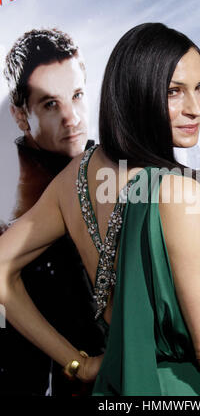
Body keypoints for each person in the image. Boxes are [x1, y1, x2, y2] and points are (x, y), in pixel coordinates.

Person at [0, 23, 200, 396]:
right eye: (174, 91)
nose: (196, 108)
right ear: (137, 92)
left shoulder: (75, 177)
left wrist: (78, 364)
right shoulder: (178, 193)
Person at [0, 28, 106, 396]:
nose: (71, 117)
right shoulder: (12, 196)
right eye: (50, 104)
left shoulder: (108, 165)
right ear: (19, 114)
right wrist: (79, 365)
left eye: (77, 96)